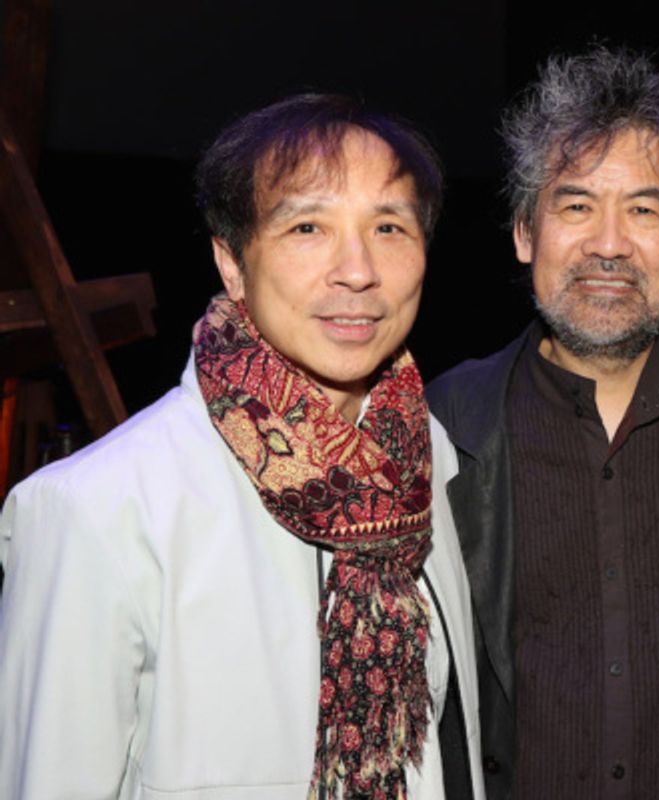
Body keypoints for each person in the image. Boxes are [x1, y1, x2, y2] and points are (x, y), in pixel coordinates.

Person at [0, 94, 484, 800]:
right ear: (232, 262)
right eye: (308, 227)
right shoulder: (99, 509)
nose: (357, 270)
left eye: (388, 227)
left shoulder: (428, 460)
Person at [426, 47, 659, 799]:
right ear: (524, 234)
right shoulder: (444, 423)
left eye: (643, 209)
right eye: (576, 206)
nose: (608, 244)